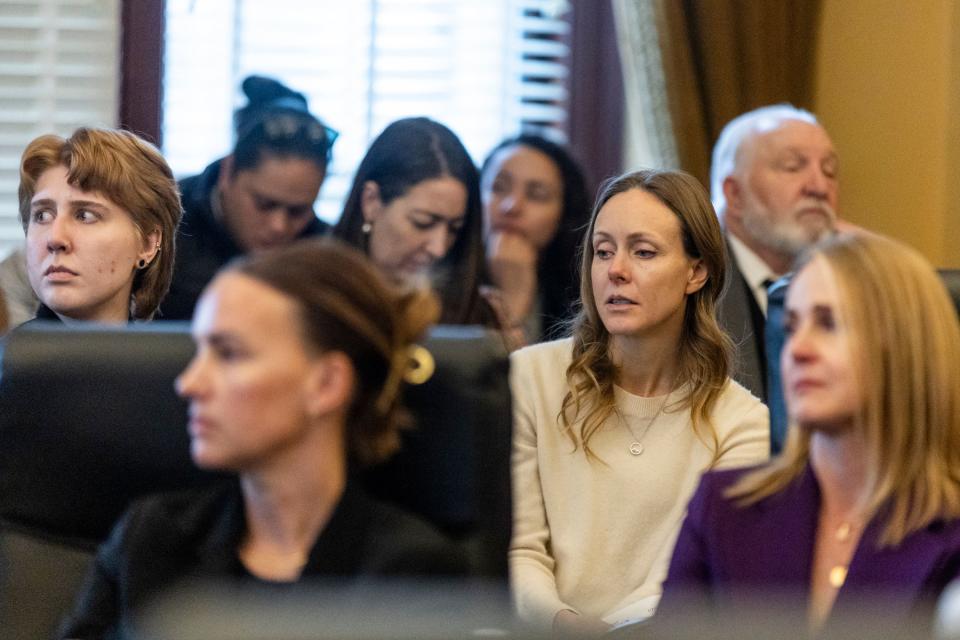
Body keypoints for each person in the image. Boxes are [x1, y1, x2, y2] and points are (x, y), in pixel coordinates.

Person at [59, 239, 468, 639]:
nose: (188, 383)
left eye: (229, 353)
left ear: (326, 384)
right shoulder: (150, 541)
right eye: (199, 352)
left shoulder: (414, 576)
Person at [657, 233, 960, 636]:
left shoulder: (951, 529)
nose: (797, 350)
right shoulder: (723, 509)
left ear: (905, 347)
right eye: (792, 326)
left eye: (829, 324)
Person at [510, 169, 769, 635]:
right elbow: (520, 548)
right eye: (603, 251)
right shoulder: (529, 378)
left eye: (643, 252)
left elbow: (691, 577)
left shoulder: (742, 422)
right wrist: (565, 624)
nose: (616, 270)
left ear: (696, 271)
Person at [160, 75, 335, 320]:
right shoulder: (163, 227)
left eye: (298, 211)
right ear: (227, 172)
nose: (279, 226)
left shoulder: (328, 251)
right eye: (264, 204)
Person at [711, 104, 839, 405]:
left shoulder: (851, 287)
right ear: (735, 195)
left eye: (830, 170)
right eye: (793, 167)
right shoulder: (689, 289)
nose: (819, 187)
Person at [15, 127, 180, 325]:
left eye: (85, 216)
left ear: (146, 244)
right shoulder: (7, 355)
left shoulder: (183, 355)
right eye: (42, 215)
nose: (55, 238)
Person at [332, 117, 488, 325]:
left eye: (454, 229)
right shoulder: (312, 299)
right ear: (371, 201)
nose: (439, 248)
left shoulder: (478, 311)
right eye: (422, 223)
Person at [480, 133, 591, 345]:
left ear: (564, 215)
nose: (511, 206)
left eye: (536, 195)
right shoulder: (440, 280)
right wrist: (511, 300)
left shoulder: (585, 298)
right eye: (498, 187)